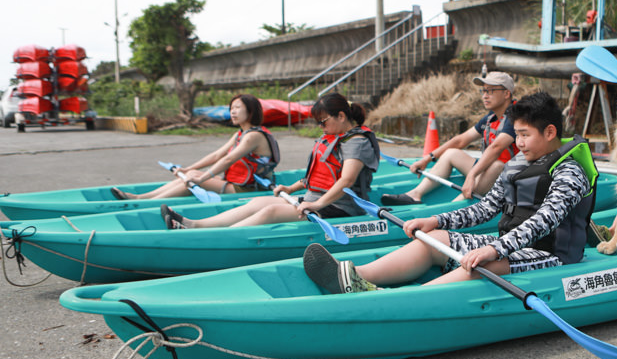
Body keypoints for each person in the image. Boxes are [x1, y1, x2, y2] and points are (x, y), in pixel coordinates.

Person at [303, 91, 598, 293]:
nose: (517, 143)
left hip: (551, 254)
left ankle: (403, 300)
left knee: (485, 263)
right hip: (508, 244)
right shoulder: (520, 163)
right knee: (434, 240)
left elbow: (543, 221)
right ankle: (358, 278)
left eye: (524, 135)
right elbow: (485, 208)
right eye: (516, 134)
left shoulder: (570, 172)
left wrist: (494, 249)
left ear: (549, 132)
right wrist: (436, 221)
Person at [161, 93, 379, 229]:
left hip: (340, 206)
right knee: (258, 203)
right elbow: (316, 176)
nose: (321, 128)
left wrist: (317, 204)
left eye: (323, 122)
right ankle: (195, 225)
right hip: (314, 197)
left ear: (341, 116)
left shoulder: (356, 142)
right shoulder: (332, 137)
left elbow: (346, 180)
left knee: (270, 212)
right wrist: (290, 188)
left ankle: (214, 237)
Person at [380, 71, 519, 205]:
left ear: (507, 93)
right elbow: (460, 140)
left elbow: (497, 147)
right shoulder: (491, 117)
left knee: (497, 166)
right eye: (483, 91)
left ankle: (452, 210)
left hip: (512, 177)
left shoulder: (517, 115)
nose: (485, 96)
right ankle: (415, 194)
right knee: (451, 153)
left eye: (491, 91)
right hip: (488, 171)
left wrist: (471, 175)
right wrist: (428, 158)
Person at [112, 94, 279, 200]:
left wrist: (201, 179)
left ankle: (143, 201)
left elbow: (228, 159)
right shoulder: (240, 134)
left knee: (192, 178)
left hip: (245, 189)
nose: (232, 112)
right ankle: (142, 198)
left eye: (237, 108)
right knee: (189, 175)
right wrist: (188, 169)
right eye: (231, 108)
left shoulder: (253, 136)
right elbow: (216, 155)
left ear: (250, 112)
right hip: (234, 183)